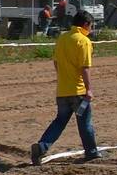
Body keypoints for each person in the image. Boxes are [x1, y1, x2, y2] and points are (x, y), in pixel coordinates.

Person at [31, 10, 101, 165]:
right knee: (85, 123)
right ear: (85, 24)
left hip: (62, 91)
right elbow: (85, 67)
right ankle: (91, 152)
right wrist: (89, 89)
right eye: (90, 26)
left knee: (59, 122)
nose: (91, 29)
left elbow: (56, 62)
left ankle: (42, 146)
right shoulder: (83, 41)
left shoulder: (62, 38)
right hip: (79, 92)